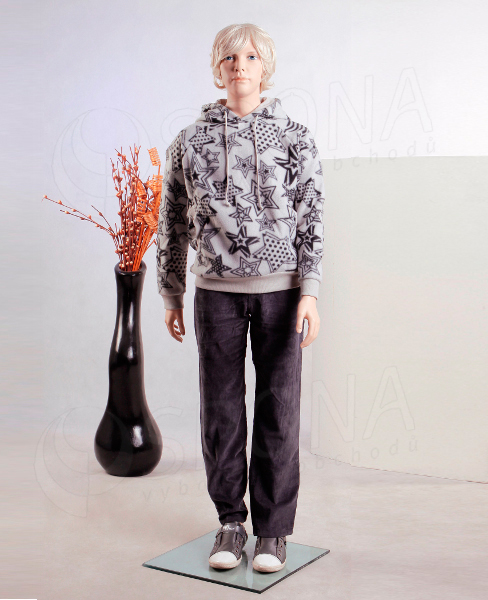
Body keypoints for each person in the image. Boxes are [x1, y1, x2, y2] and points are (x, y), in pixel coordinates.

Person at [156, 23, 325, 573]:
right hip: (215, 295)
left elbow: (312, 216)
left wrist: (310, 292)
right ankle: (231, 523)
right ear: (217, 67)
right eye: (230, 57)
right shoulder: (189, 141)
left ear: (264, 66)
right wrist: (171, 292)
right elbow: (170, 220)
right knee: (221, 411)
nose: (239, 66)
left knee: (280, 409)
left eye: (250, 56)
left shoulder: (295, 137)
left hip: (282, 294)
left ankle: (273, 531)